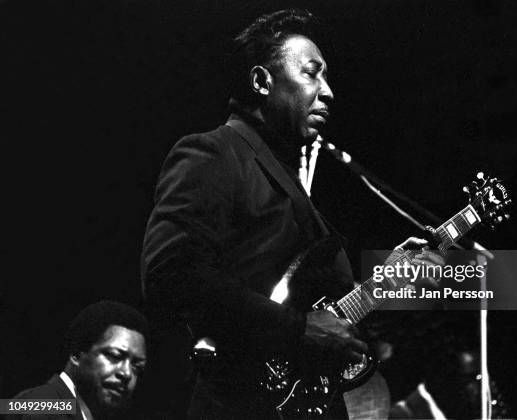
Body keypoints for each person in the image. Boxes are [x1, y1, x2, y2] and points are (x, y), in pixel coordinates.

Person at [141, 8, 437, 419]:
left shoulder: (291, 179)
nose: (328, 91)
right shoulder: (214, 153)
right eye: (312, 73)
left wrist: (387, 280)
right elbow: (170, 275)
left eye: (327, 77)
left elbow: (315, 304)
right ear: (262, 81)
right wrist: (298, 330)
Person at [8, 301, 148, 420]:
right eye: (114, 356)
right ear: (76, 354)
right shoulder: (44, 406)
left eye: (137, 367)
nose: (127, 373)